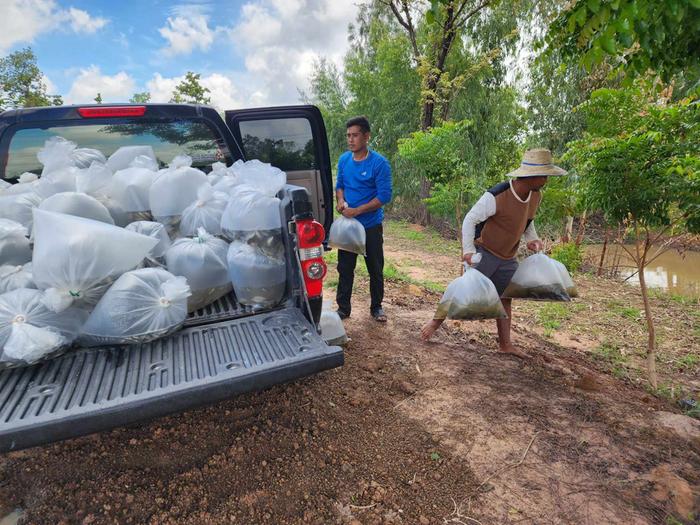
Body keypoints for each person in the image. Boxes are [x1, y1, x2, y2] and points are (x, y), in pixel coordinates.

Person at [420, 148, 566, 357]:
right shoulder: (497, 195)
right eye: (544, 175)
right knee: (463, 291)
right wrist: (469, 251)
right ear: (530, 176)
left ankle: (505, 345)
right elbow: (469, 220)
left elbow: (527, 221)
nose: (546, 180)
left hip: (508, 256)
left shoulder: (535, 196)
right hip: (485, 251)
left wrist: (532, 239)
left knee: (506, 297)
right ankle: (434, 323)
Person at [335, 116, 393, 322]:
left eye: (355, 135)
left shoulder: (379, 163)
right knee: (345, 268)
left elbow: (384, 196)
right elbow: (339, 185)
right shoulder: (344, 160)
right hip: (348, 227)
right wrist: (340, 200)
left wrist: (358, 210)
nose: (351, 140)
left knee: (375, 269)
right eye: (348, 136)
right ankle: (343, 308)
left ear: (366, 137)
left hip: (370, 226)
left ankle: (377, 307)